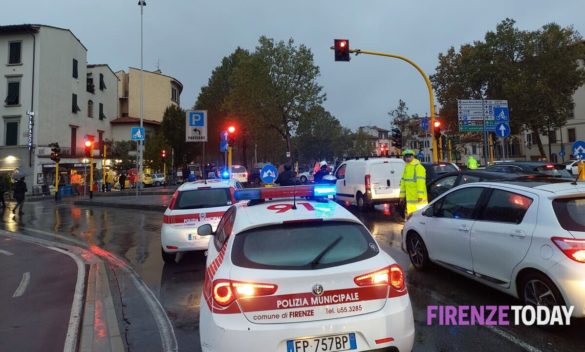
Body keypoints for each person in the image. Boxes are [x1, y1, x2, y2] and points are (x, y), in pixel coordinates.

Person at [399, 149, 428, 217]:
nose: (408, 158)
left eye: (409, 156)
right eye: (406, 157)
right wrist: (402, 196)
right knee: (411, 218)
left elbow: (421, 182)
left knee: (420, 218)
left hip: (419, 200)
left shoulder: (418, 167)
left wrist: (420, 196)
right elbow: (403, 183)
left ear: (413, 157)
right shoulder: (407, 168)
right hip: (410, 199)